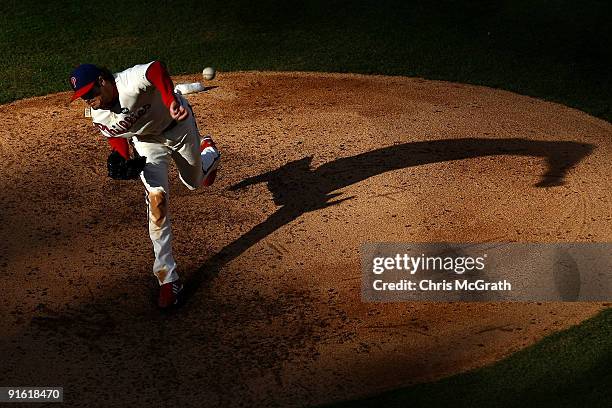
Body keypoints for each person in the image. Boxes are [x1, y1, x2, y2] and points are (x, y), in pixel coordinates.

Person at [68, 61, 221, 308]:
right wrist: (124, 158)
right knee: (156, 201)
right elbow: (117, 136)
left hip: (178, 128)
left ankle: (209, 154)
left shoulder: (128, 81)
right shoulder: (97, 113)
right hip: (147, 143)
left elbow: (156, 69)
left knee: (193, 181)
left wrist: (170, 98)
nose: (88, 100)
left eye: (90, 93)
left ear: (102, 82)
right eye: (82, 97)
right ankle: (168, 280)